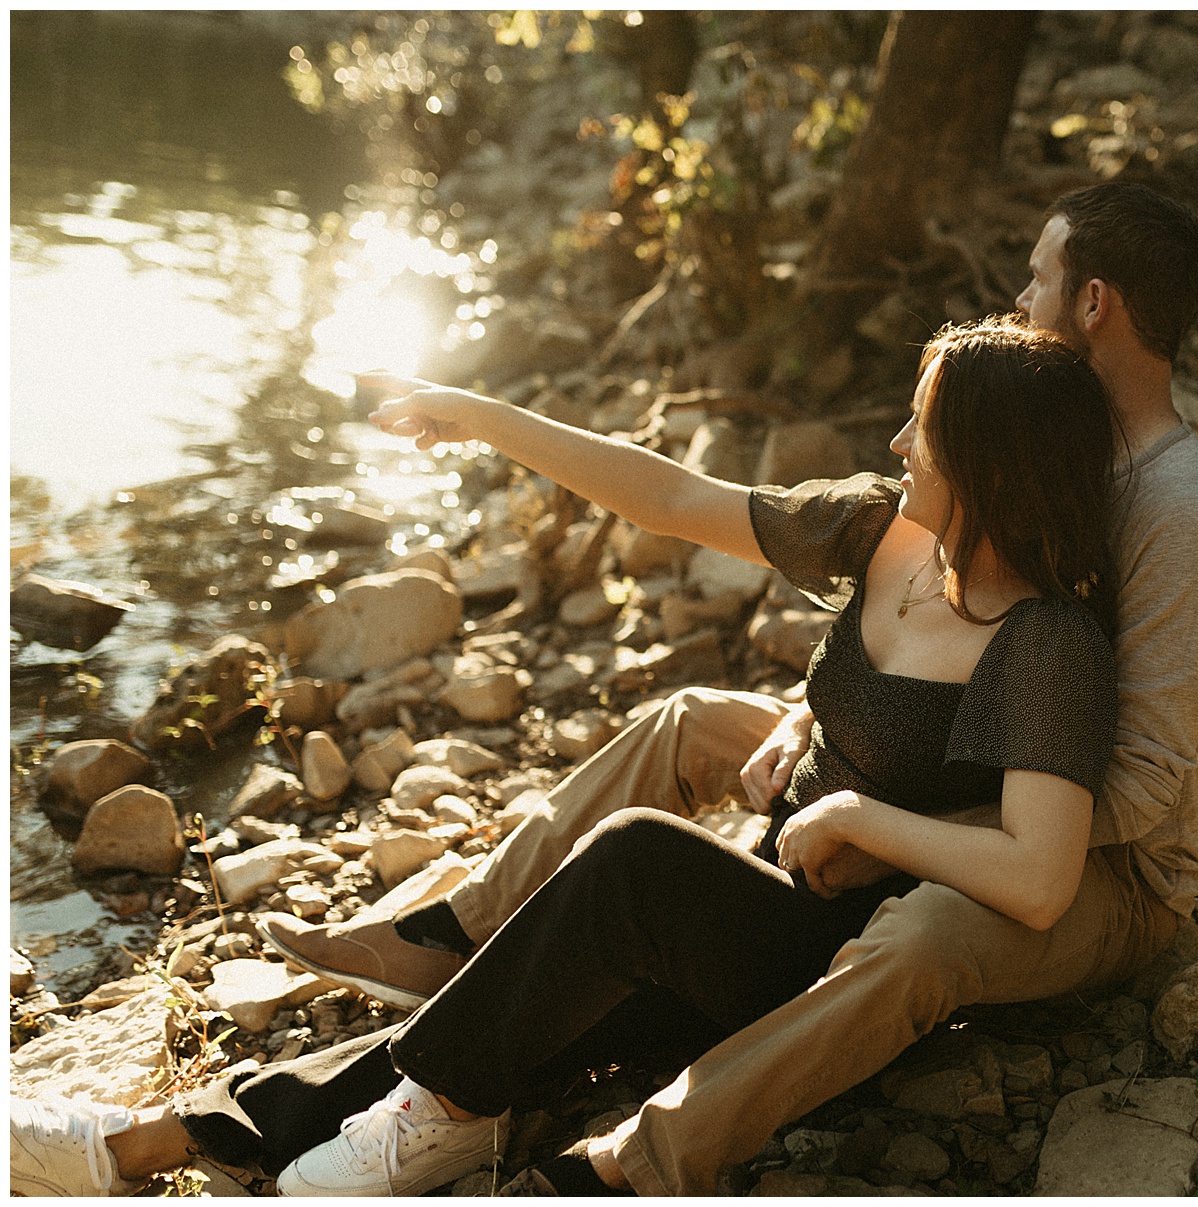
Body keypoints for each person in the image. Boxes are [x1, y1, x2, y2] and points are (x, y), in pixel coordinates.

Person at [11, 317, 1130, 1196]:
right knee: (522, 1006)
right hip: (751, 897)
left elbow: (1039, 875)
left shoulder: (1044, 642)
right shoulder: (881, 532)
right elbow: (671, 494)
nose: (895, 444)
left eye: (920, 428)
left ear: (985, 463)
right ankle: (145, 1143)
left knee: (632, 861)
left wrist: (855, 821)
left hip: (829, 958)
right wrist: (485, 416)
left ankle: (430, 1114)